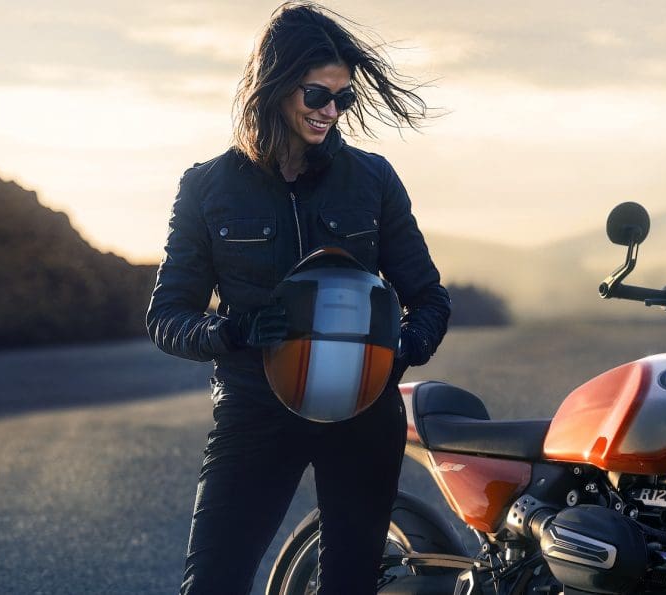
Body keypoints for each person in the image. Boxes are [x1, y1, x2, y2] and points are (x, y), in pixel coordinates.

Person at [145, 3, 450, 593]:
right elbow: (166, 317)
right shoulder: (207, 186)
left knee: (349, 584)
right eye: (317, 95)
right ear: (277, 85)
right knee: (212, 581)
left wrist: (399, 351)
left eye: (345, 98)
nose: (332, 111)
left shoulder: (373, 178)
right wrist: (230, 331)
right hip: (255, 409)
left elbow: (429, 299)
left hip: (364, 416)